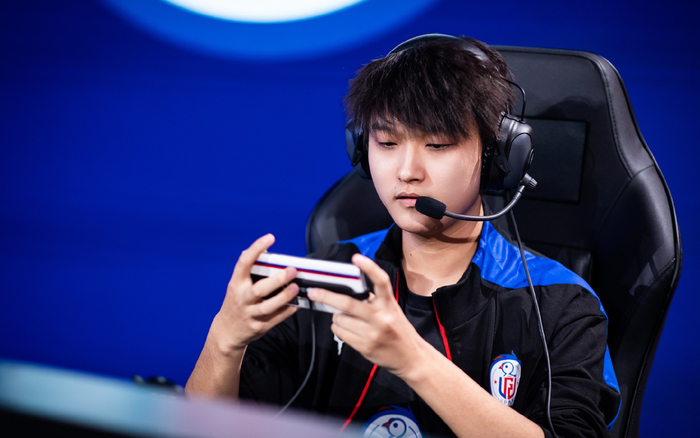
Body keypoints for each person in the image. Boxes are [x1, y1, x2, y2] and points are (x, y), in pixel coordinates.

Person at [185, 34, 620, 438]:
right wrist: (224, 341)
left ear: (496, 156)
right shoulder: (324, 282)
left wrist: (412, 359)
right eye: (387, 143)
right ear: (361, 149)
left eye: (438, 145)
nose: (407, 171)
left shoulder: (561, 304)